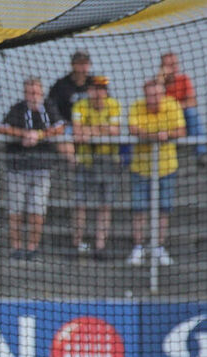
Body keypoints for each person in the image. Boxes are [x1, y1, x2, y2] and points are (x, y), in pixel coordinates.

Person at [0, 77, 64, 260]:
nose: (33, 96)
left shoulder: (48, 108)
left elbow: (60, 127)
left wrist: (39, 135)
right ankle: (16, 247)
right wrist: (24, 135)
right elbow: (3, 127)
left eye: (35, 93)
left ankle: (32, 247)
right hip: (17, 167)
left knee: (37, 209)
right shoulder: (18, 109)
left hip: (41, 168)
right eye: (29, 93)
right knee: (15, 209)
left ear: (41, 93)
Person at [126, 79, 185, 267]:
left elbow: (181, 130)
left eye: (158, 94)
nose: (155, 98)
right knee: (139, 210)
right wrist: (155, 136)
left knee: (163, 209)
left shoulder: (172, 105)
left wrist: (166, 135)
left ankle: (158, 247)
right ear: (145, 95)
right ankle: (138, 247)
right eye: (151, 95)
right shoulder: (137, 106)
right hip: (141, 168)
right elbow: (133, 129)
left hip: (166, 167)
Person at [70, 75, 121, 259]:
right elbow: (77, 133)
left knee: (105, 205)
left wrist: (90, 130)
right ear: (89, 90)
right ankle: (77, 244)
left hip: (108, 161)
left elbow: (115, 131)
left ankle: (100, 246)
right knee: (80, 204)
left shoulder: (113, 105)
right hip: (86, 161)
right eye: (95, 89)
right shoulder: (80, 105)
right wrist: (101, 129)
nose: (99, 93)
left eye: (102, 89)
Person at [48, 50, 92, 166]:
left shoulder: (94, 84)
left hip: (89, 127)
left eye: (85, 63)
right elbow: (51, 107)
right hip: (67, 126)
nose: (83, 67)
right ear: (73, 65)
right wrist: (62, 123)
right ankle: (74, 164)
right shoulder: (61, 85)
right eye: (79, 63)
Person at [157, 52, 205, 156]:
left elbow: (192, 102)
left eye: (175, 64)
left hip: (180, 116)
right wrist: (160, 80)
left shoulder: (183, 79)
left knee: (191, 112)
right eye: (169, 65)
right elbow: (155, 102)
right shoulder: (158, 84)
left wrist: (175, 108)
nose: (173, 68)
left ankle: (202, 153)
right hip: (164, 117)